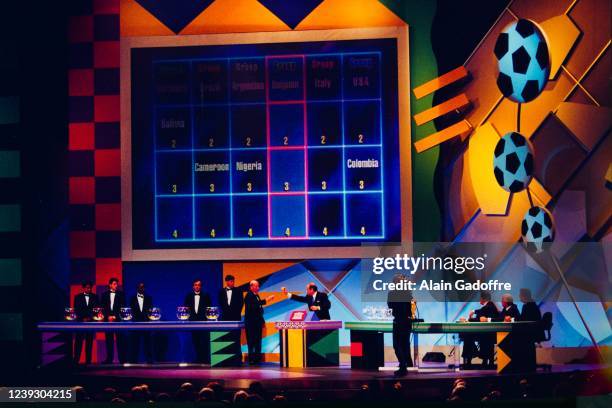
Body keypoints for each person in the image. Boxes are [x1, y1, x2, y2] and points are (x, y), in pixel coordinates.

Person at [461, 291, 498, 367]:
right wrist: (471, 316)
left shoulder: (489, 306)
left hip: (488, 334)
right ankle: (472, 355)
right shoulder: (488, 306)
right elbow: (480, 315)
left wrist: (468, 320)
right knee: (468, 336)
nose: (479, 300)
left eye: (480, 298)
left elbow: (480, 317)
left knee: (467, 336)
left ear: (483, 298)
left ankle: (470, 358)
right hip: (485, 332)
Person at [386, 274, 413, 376]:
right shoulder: (408, 293)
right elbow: (410, 309)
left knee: (397, 345)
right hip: (407, 322)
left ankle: (403, 366)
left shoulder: (392, 294)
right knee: (405, 344)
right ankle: (407, 364)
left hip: (398, 321)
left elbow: (390, 306)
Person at [244, 280, 274, 364]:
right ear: (251, 287)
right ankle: (252, 359)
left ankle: (257, 359)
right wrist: (266, 300)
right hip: (251, 323)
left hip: (257, 322)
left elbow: (258, 307)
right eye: (256, 286)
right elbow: (254, 306)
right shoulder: (249, 295)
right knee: (251, 342)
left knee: (257, 341)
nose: (258, 288)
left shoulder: (256, 295)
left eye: (258, 286)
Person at [184, 278, 211, 363]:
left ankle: (205, 359)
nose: (197, 286)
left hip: (203, 322)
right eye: (195, 285)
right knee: (195, 341)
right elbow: (186, 308)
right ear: (193, 286)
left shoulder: (206, 295)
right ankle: (199, 359)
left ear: (201, 286)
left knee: (204, 341)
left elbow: (209, 309)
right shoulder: (188, 296)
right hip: (193, 322)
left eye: (199, 285)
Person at [100, 277, 127, 364]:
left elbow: (122, 307)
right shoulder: (104, 295)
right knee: (109, 341)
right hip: (108, 321)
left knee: (120, 340)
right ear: (110, 285)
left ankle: (122, 359)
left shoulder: (121, 294)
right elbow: (102, 307)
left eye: (117, 284)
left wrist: (115, 316)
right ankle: (109, 359)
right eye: (114, 284)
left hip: (118, 320)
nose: (116, 286)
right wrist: (108, 316)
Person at [73, 281, 98, 365]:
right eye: (87, 287)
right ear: (83, 288)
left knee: (89, 342)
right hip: (80, 323)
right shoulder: (77, 297)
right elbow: (76, 310)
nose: (89, 289)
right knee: (78, 342)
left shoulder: (95, 297)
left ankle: (88, 362)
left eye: (90, 287)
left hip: (90, 323)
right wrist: (83, 318)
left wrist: (90, 318)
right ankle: (76, 361)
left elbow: (96, 310)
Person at [129, 282, 153, 363]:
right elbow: (131, 311)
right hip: (135, 323)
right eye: (140, 287)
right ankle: (134, 359)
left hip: (146, 323)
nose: (141, 289)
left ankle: (149, 359)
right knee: (135, 342)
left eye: (143, 287)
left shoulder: (149, 298)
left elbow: (150, 311)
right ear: (137, 288)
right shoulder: (132, 299)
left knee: (148, 342)